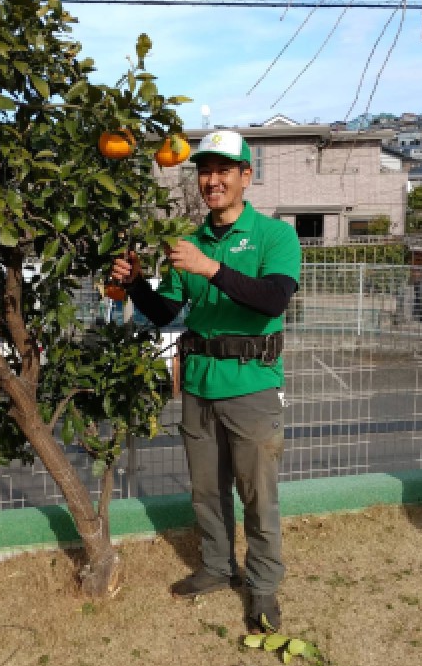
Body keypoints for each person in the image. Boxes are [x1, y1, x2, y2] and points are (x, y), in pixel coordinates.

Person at [110, 129, 301, 632]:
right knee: (207, 491)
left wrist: (211, 269)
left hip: (252, 386)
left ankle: (262, 585)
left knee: (258, 495)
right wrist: (136, 284)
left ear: (246, 176)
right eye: (205, 171)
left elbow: (273, 299)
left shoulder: (275, 236)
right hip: (198, 384)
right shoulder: (189, 243)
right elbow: (165, 311)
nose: (212, 180)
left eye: (224, 170)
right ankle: (218, 567)